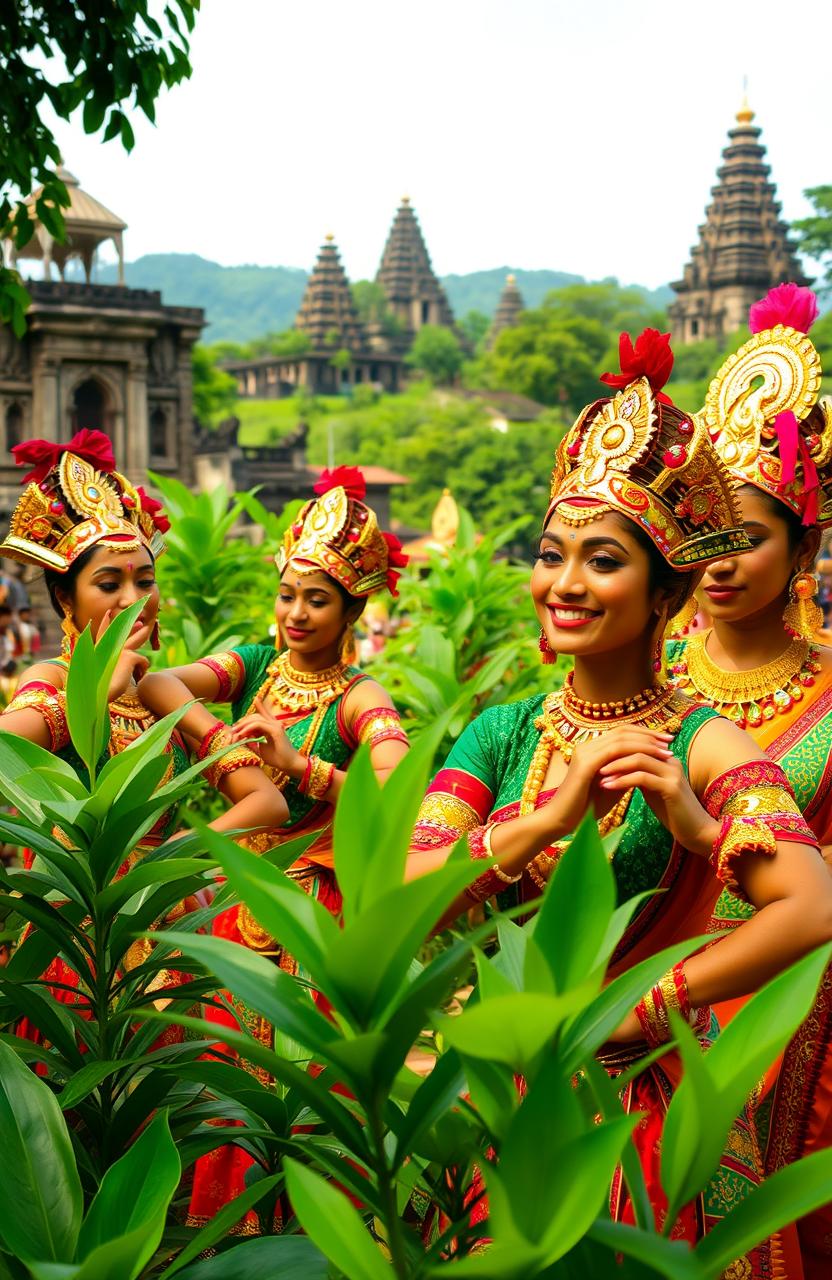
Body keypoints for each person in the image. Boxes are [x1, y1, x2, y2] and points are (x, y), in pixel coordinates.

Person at [407, 329, 832, 1273]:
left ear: (666, 588)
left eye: (602, 561)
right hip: (498, 1091)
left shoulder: (698, 739)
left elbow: (809, 905)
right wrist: (544, 821)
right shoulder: (502, 731)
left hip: (640, 1106)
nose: (563, 583)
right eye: (552, 553)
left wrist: (638, 1011)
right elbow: (406, 893)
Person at [142, 463, 410, 1226]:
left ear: (352, 607)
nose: (297, 613)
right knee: (221, 1064)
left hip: (314, 912)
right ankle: (220, 1227)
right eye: (288, 594)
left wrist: (303, 770)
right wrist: (218, 738)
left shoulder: (362, 696)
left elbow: (400, 790)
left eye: (317, 599)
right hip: (236, 899)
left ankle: (312, 1229)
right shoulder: (254, 668)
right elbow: (165, 681)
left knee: (304, 1068)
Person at [0, 430, 289, 1039]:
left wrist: (170, 855)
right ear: (64, 597)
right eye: (109, 585)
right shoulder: (47, 679)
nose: (134, 601)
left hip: (160, 935)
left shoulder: (161, 692)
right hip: (68, 938)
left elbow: (267, 799)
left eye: (146, 582)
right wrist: (93, 694)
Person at [666, 283, 832, 1277]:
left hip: (795, 1008)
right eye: (701, 537)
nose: (718, 563)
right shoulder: (638, 679)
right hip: (642, 983)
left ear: (804, 546)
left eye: (749, 537)